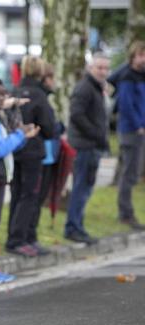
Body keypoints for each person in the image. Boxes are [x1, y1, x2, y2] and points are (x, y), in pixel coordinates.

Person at [0, 79, 40, 284]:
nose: (2, 98)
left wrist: (23, 136)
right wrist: (20, 134)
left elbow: (6, 148)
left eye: (4, 94)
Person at [6, 56, 55, 257]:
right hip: (33, 152)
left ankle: (14, 235)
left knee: (16, 194)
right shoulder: (39, 96)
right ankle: (20, 239)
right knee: (29, 195)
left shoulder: (14, 92)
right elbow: (50, 128)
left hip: (15, 149)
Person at [64, 54, 111, 244]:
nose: (103, 71)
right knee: (81, 188)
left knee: (86, 188)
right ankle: (73, 227)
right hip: (85, 146)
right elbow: (76, 115)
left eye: (106, 68)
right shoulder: (85, 87)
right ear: (91, 68)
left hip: (92, 145)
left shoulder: (97, 88)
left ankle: (78, 226)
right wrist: (96, 134)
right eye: (99, 67)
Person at [109, 41, 145, 230]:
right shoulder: (128, 77)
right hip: (132, 131)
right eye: (140, 55)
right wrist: (138, 126)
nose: (144, 59)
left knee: (132, 172)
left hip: (137, 129)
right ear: (133, 57)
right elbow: (126, 105)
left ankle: (127, 212)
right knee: (130, 173)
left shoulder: (139, 75)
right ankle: (125, 213)